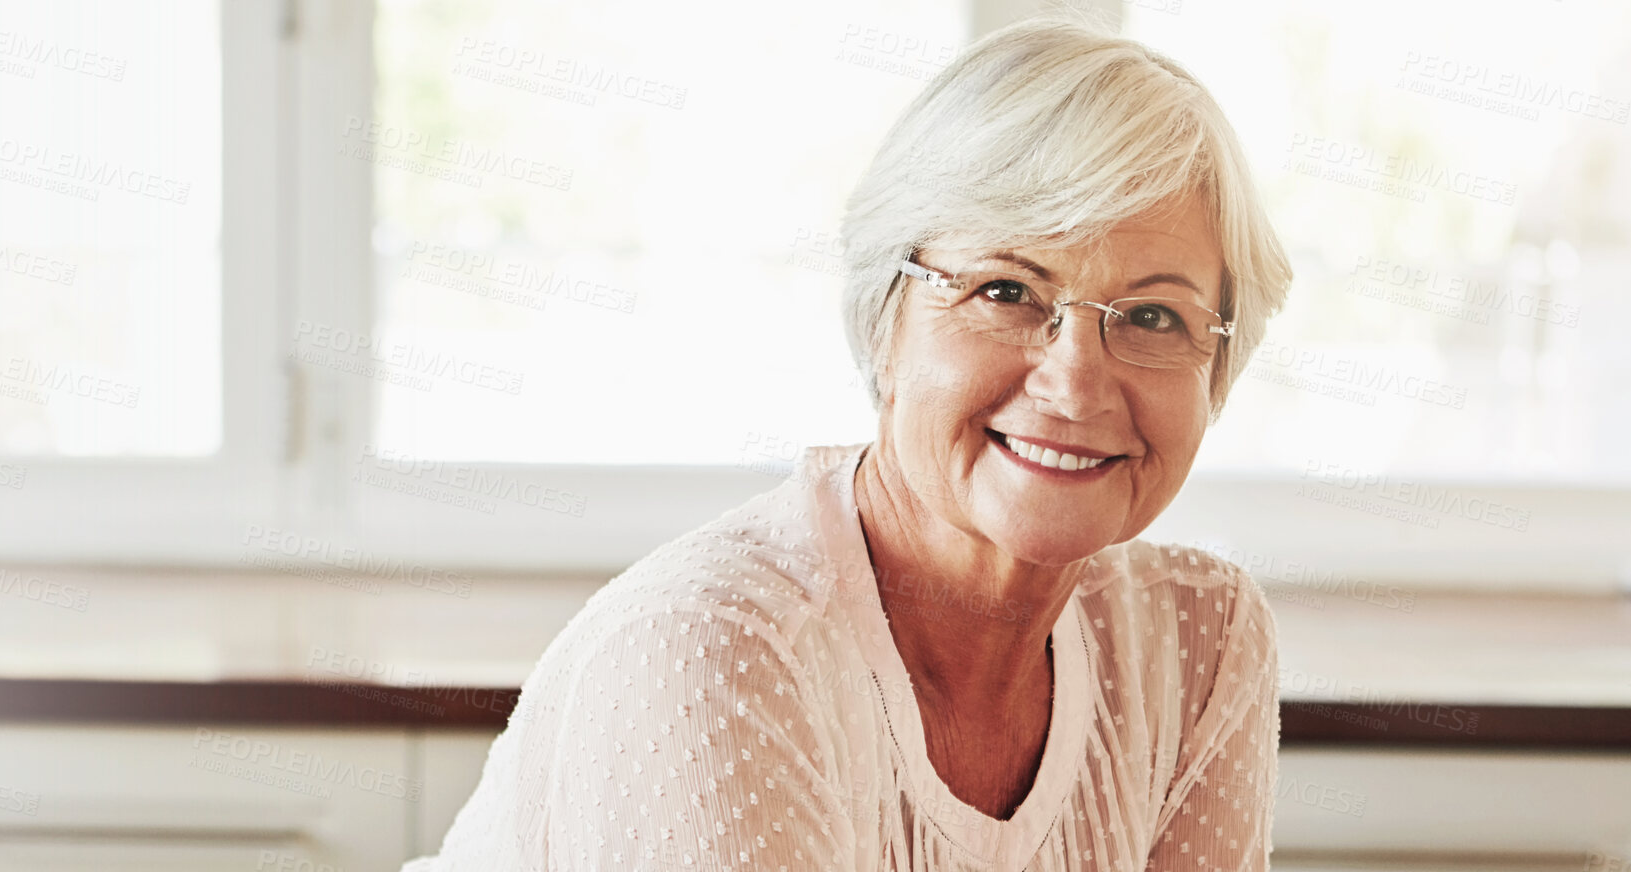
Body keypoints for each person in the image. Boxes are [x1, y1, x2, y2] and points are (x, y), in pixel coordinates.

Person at [408, 15, 1294, 871]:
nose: (1074, 383)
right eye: (1005, 292)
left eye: (1151, 316)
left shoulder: (1198, 636)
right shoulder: (712, 652)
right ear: (885, 321)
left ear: (1217, 371)